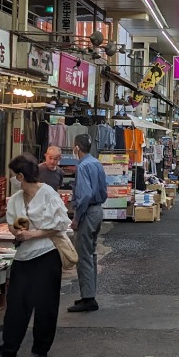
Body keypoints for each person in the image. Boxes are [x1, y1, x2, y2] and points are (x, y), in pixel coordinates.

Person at [0, 154, 69, 357]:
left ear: (22, 175)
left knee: (45, 305)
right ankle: (8, 352)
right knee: (16, 304)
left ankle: (40, 350)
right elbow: (17, 224)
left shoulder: (48, 194)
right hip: (23, 256)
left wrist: (34, 235)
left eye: (15, 175)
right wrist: (18, 231)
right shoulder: (16, 198)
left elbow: (61, 224)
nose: (13, 179)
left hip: (47, 255)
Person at [69, 133, 108, 312]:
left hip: (87, 212)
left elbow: (84, 195)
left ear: (77, 148)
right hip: (98, 210)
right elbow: (103, 189)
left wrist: (77, 218)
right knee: (90, 253)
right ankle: (88, 293)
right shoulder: (96, 163)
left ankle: (88, 298)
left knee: (83, 255)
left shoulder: (83, 166)